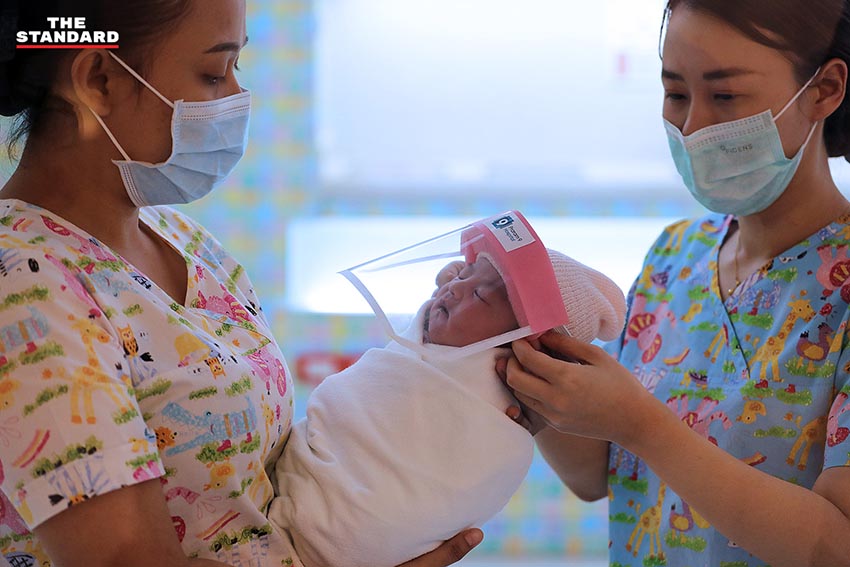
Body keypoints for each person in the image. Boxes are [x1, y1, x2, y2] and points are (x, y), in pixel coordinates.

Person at [0, 1, 486, 566]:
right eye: (213, 73)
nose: (236, 96)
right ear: (99, 80)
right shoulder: (24, 283)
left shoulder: (185, 242)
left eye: (237, 68)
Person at [501, 1, 850, 566]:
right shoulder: (674, 256)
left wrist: (643, 425)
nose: (692, 129)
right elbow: (596, 475)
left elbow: (837, 547)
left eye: (726, 96)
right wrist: (517, 335)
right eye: (676, 94)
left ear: (824, 90)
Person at [268, 250, 626, 567]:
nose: (453, 288)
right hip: (311, 485)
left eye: (480, 295)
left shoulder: (500, 392)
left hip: (363, 526)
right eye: (463, 273)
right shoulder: (426, 346)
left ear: (524, 344)